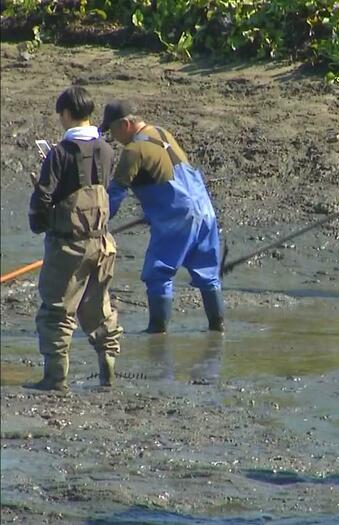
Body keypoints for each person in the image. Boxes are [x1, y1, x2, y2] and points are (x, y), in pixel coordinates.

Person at [26, 86, 123, 390]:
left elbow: (42, 198)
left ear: (66, 114)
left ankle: (55, 379)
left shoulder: (59, 153)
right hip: (102, 243)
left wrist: (41, 223)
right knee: (99, 310)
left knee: (56, 311)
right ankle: (108, 375)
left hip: (68, 245)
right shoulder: (107, 150)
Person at [100, 101, 224, 333]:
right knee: (208, 272)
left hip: (177, 217)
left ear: (126, 124)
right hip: (204, 210)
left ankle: (157, 332)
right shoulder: (161, 132)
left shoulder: (132, 151)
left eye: (113, 131)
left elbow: (114, 196)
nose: (113, 137)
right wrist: (152, 213)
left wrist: (97, 226)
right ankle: (218, 327)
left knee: (158, 273)